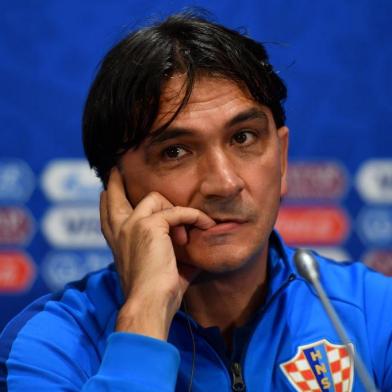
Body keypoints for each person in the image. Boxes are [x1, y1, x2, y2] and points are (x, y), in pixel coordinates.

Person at [1, 11, 392, 392]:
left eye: (243, 138)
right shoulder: (48, 347)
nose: (224, 183)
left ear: (283, 159)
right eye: (176, 151)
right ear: (117, 191)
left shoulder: (375, 314)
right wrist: (145, 315)